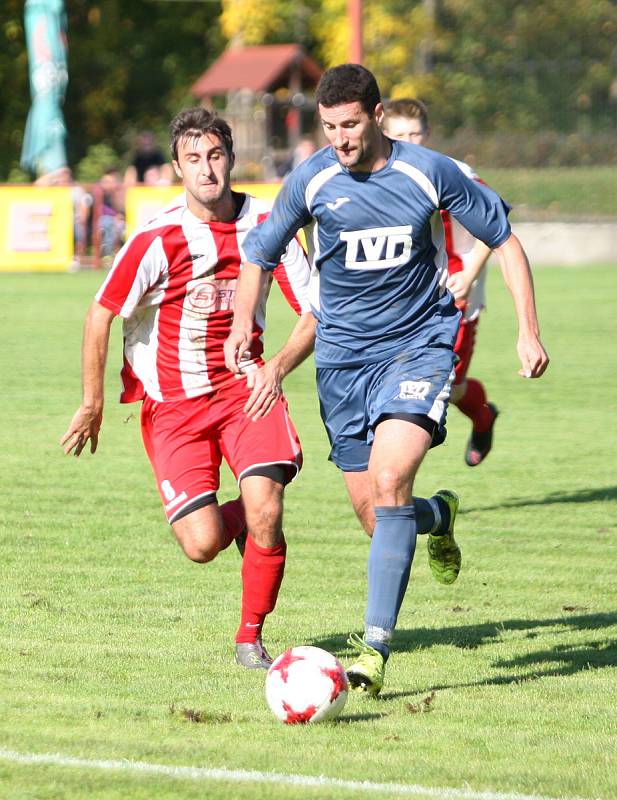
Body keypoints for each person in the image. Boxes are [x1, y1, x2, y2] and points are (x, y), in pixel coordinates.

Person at [225, 64, 549, 695]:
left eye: (349, 125)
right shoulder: (312, 178)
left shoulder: (429, 171)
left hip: (419, 347)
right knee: (379, 515)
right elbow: (259, 255)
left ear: (375, 117)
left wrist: (527, 329)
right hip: (343, 364)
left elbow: (504, 239)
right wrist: (244, 322)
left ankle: (373, 651)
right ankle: (440, 515)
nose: (340, 140)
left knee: (391, 476)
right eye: (328, 127)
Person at [61, 108, 315, 669]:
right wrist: (94, 402)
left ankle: (250, 636)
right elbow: (101, 313)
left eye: (216, 156)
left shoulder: (269, 227)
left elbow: (313, 314)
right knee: (201, 545)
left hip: (248, 392)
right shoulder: (159, 237)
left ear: (231, 159)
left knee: (266, 508)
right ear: (177, 167)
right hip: (173, 407)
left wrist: (275, 368)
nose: (207, 170)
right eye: (194, 160)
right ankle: (244, 523)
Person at [383, 98, 498, 466]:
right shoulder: (379, 177)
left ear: (428, 134)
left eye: (416, 134)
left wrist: (470, 271)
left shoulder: (455, 172)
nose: (409, 141)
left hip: (455, 294)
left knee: (443, 385)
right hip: (405, 299)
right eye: (400, 134)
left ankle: (479, 416)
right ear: (385, 134)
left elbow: (496, 225)